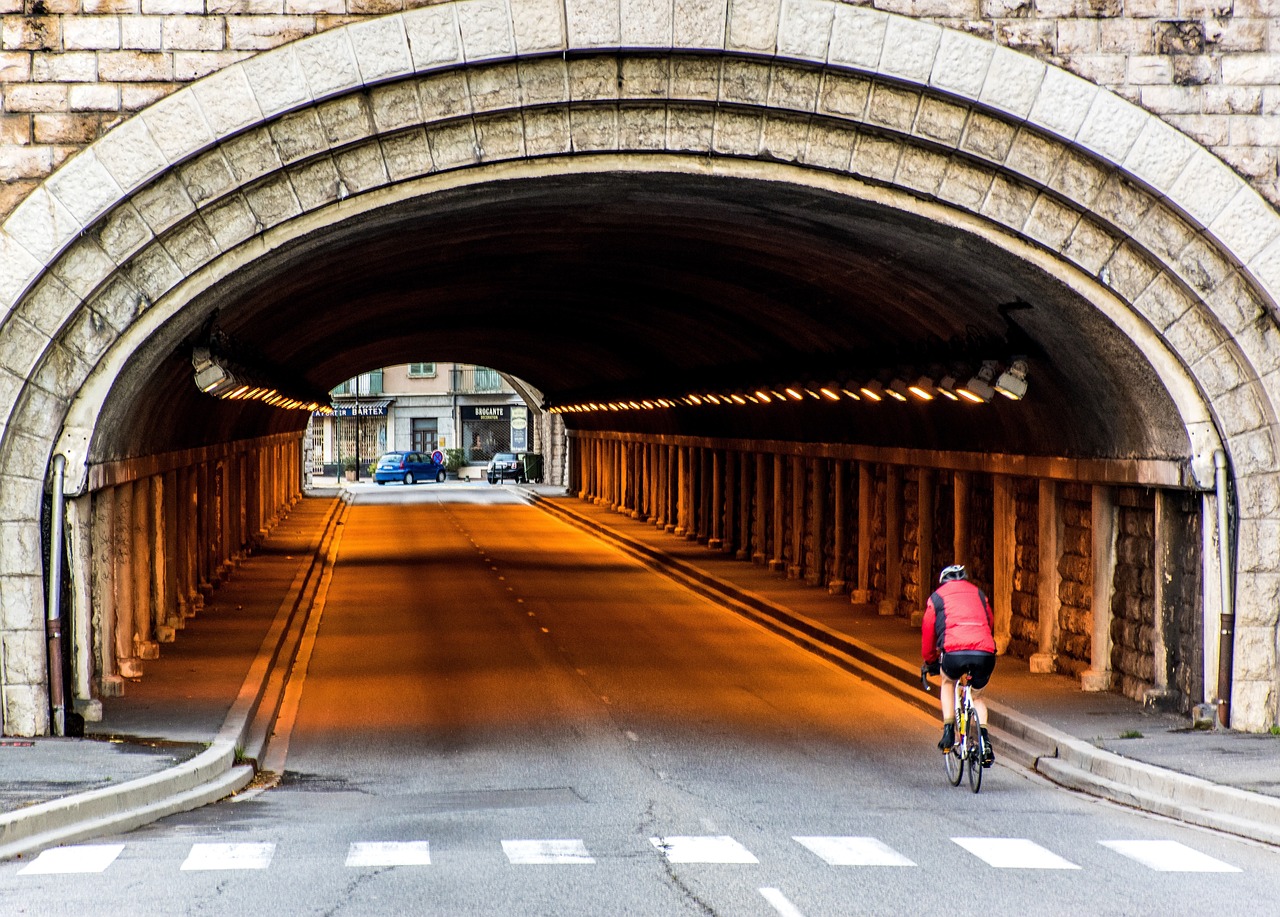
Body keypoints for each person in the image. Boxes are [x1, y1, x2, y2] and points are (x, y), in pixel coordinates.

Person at [921, 564, 996, 766]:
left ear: (943, 581)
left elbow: (928, 631)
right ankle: (985, 741)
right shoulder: (979, 594)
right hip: (984, 651)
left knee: (947, 682)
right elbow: (989, 621)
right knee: (978, 695)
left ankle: (948, 732)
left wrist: (930, 661)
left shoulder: (936, 598)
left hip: (954, 653)